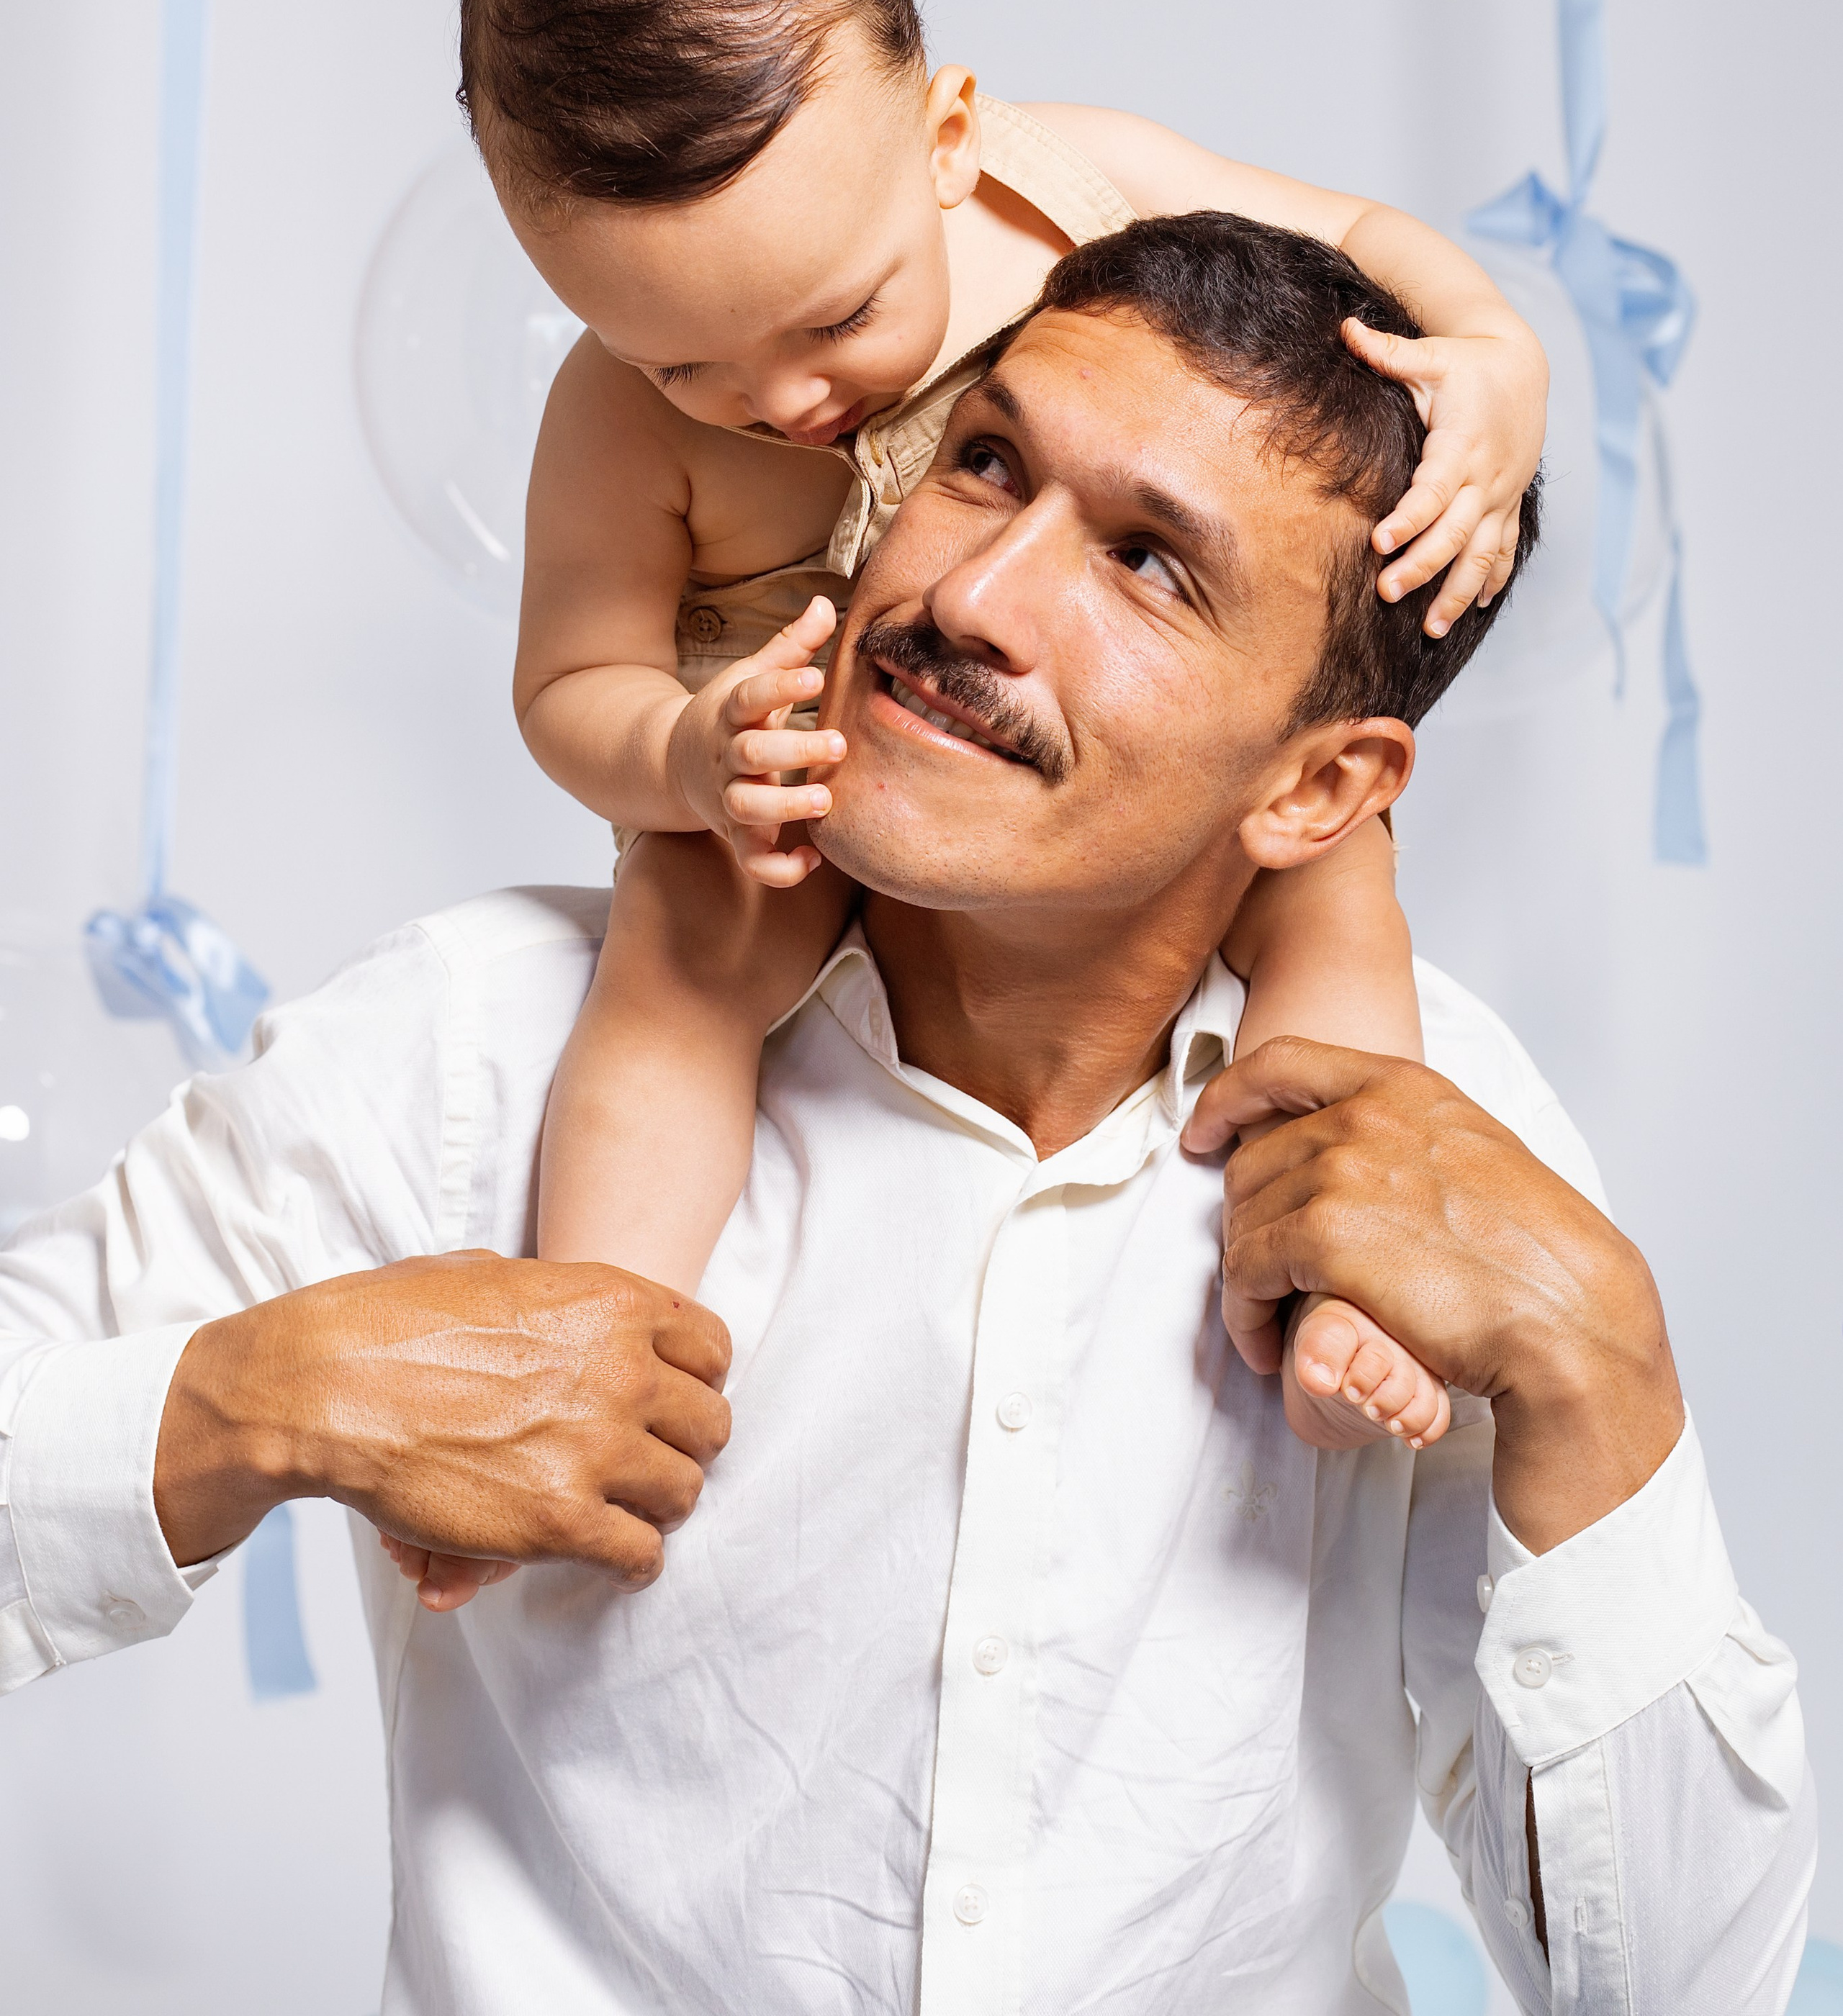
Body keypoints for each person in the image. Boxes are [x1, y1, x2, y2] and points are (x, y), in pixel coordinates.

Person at [0, 217, 1810, 2012]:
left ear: (1320, 786)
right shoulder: (471, 1044)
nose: (968, 598)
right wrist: (243, 1407)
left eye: (1147, 568)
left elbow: (1681, 1992)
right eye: (983, 466)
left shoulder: (1436, 1159)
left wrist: (1605, 1369)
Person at [454, 0, 1547, 1506]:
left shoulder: (1071, 191)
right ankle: (593, 1346)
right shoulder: (609, 417)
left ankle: (1352, 1270)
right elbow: (564, 684)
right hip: (796, 746)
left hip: (1098, 758)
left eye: (835, 317)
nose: (782, 400)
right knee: (678, 952)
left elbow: (1363, 246)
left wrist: (1490, 351)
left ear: (950, 135)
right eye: (688, 368)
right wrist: (684, 753)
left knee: (1336, 900)